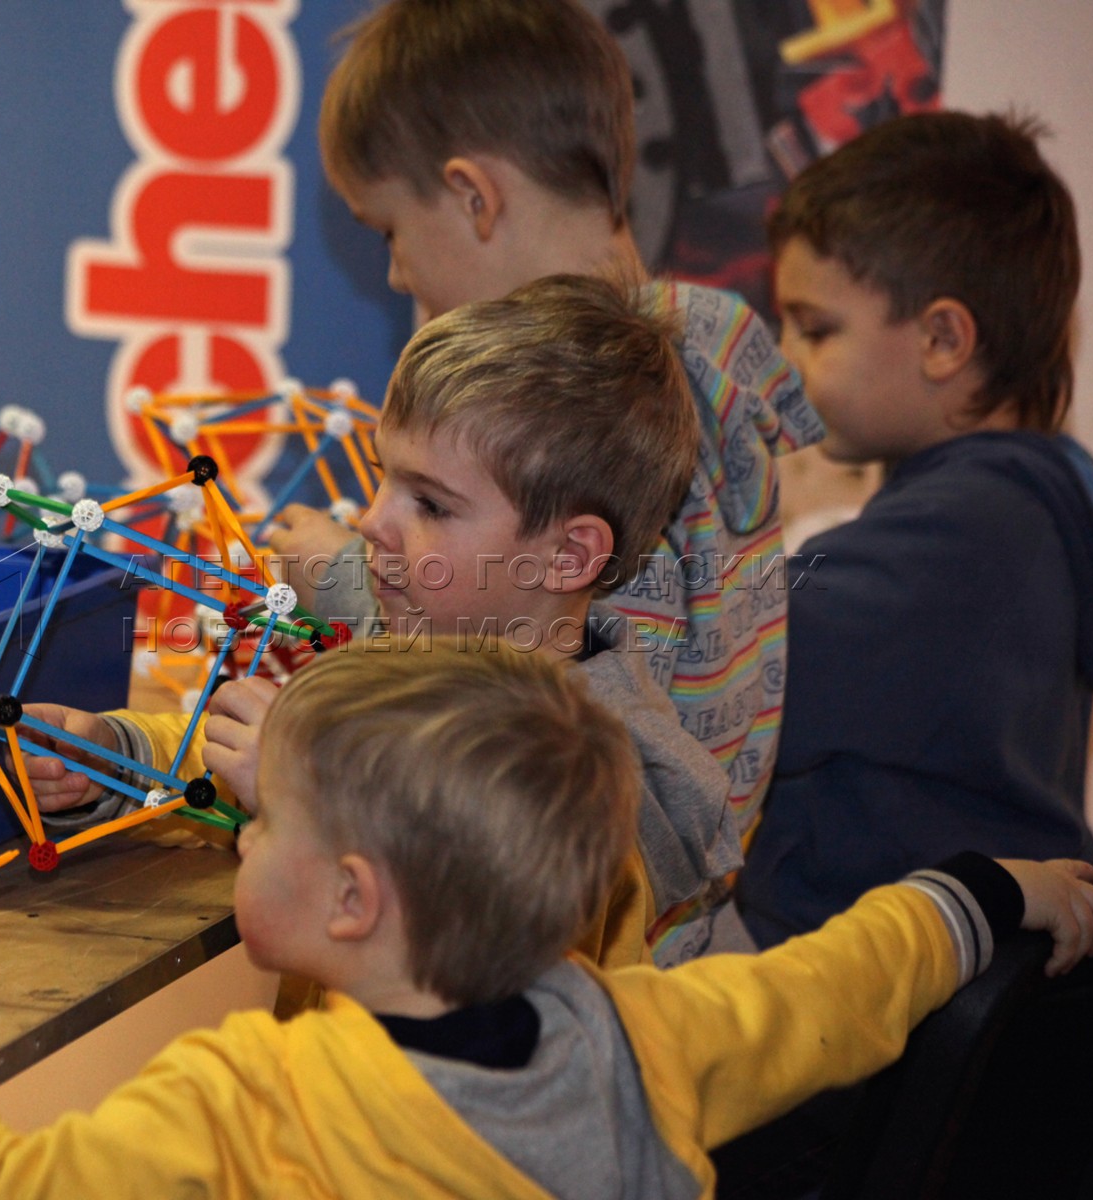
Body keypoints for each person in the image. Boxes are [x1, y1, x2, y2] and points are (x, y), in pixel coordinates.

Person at [0, 643, 1093, 1200]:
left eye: (267, 821)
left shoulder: (251, 1095)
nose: (241, 833)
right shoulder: (641, 1033)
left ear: (349, 899)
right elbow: (838, 986)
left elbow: (7, 1192)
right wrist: (988, 891)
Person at [266, 0, 823, 960]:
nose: (394, 274)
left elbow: (550, 696)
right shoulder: (702, 342)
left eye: (388, 230)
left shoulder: (598, 406)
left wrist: (346, 580)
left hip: (609, 950)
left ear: (473, 197)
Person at [28, 274, 733, 971]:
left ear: (567, 555)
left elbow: (485, 948)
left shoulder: (600, 785)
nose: (370, 521)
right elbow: (238, 754)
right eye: (381, 477)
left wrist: (308, 792)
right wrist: (115, 758)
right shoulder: (408, 656)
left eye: (430, 504)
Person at [736, 111, 1093, 949]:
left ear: (942, 339)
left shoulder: (966, 529)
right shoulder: (1014, 512)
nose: (783, 359)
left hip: (891, 997)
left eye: (814, 329)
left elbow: (743, 667)